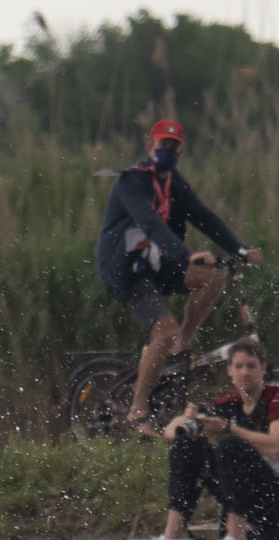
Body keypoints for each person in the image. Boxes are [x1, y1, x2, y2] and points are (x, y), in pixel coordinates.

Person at [93, 118, 258, 430]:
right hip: (126, 270)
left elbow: (203, 216)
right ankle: (137, 410)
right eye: (163, 145)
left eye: (173, 146)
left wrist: (238, 248)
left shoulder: (173, 181)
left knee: (212, 277)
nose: (167, 151)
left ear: (180, 151)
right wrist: (186, 255)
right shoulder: (132, 181)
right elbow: (150, 222)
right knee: (163, 332)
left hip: (154, 262)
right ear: (150, 146)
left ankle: (184, 342)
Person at [159, 336, 279, 540]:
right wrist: (188, 419)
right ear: (230, 371)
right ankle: (174, 533)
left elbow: (277, 449)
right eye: (239, 367)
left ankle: (237, 539)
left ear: (263, 369)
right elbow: (170, 432)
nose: (245, 373)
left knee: (229, 444)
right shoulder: (232, 402)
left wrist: (229, 428)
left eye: (251, 366)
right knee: (187, 444)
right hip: (251, 494)